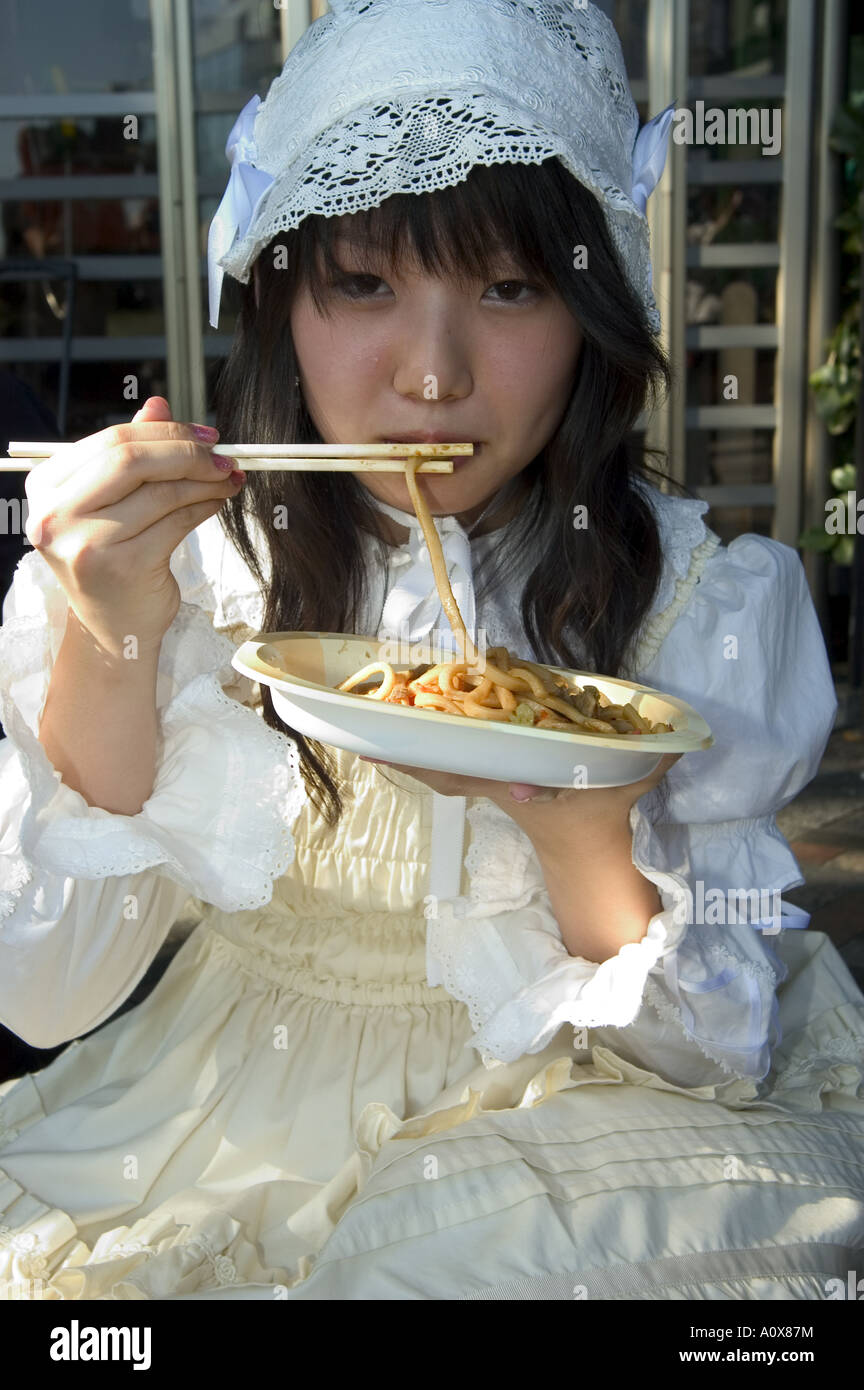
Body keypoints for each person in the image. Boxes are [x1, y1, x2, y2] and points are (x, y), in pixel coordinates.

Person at [0, 0, 863, 1303]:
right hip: (218, 1112)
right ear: (284, 291)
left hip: (557, 1138)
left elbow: (710, 1058)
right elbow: (46, 993)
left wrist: (576, 819)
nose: (434, 376)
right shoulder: (201, 567)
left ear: (591, 309)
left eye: (511, 286)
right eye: (366, 282)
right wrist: (110, 629)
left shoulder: (689, 600)